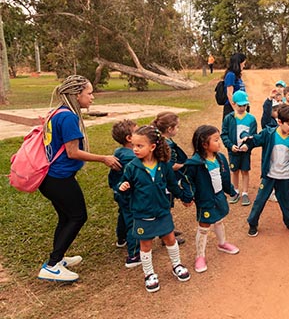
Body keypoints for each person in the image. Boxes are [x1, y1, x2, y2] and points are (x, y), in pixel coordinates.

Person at [37, 75, 121, 283]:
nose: (92, 97)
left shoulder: (56, 112)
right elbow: (72, 152)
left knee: (66, 217)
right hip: (59, 178)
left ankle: (58, 258)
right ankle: (52, 266)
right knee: (78, 216)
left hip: (49, 177)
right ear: (77, 94)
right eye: (89, 93)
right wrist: (103, 158)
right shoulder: (67, 117)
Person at [118, 125, 194, 293]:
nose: (135, 149)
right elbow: (124, 188)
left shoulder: (164, 165)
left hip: (162, 211)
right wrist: (123, 187)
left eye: (140, 146)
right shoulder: (132, 167)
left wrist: (184, 197)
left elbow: (172, 185)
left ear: (152, 147)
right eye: (134, 146)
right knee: (145, 245)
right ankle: (149, 274)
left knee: (170, 239)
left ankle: (177, 265)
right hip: (142, 214)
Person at [244, 104, 289, 237]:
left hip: (285, 176)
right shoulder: (269, 134)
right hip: (269, 175)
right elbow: (255, 140)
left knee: (288, 201)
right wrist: (247, 145)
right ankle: (252, 223)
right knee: (260, 200)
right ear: (279, 121)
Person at [181, 125, 240, 274]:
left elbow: (225, 177)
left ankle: (222, 243)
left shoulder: (220, 158)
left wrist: (231, 191)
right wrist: (188, 196)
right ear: (204, 144)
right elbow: (188, 181)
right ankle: (200, 256)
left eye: (218, 139)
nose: (219, 143)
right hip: (205, 200)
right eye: (216, 140)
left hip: (219, 196)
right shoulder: (194, 163)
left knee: (219, 219)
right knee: (204, 226)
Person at [108, 119, 141, 268]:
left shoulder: (119, 152)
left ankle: (121, 239)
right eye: (138, 132)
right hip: (129, 195)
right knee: (134, 221)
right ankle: (134, 255)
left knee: (123, 215)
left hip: (119, 192)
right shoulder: (132, 158)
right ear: (129, 138)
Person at [152, 111, 188, 244]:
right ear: (169, 129)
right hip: (166, 181)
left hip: (163, 180)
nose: (178, 129)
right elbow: (170, 165)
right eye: (177, 126)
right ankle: (166, 235)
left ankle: (167, 230)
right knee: (165, 208)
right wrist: (185, 165)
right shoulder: (166, 144)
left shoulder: (161, 140)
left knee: (166, 206)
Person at [221, 90, 257, 206]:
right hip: (233, 150)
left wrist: (248, 145)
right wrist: (231, 146)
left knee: (245, 171)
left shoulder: (251, 119)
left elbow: (253, 136)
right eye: (240, 105)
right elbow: (224, 134)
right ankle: (235, 191)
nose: (242, 108)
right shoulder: (229, 118)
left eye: (245, 105)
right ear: (234, 104)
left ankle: (245, 193)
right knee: (234, 171)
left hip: (245, 151)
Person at [222, 52, 247, 118]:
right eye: (243, 64)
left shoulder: (237, 76)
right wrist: (236, 111)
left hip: (241, 107)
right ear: (239, 63)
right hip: (232, 108)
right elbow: (229, 94)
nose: (244, 66)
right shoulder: (231, 75)